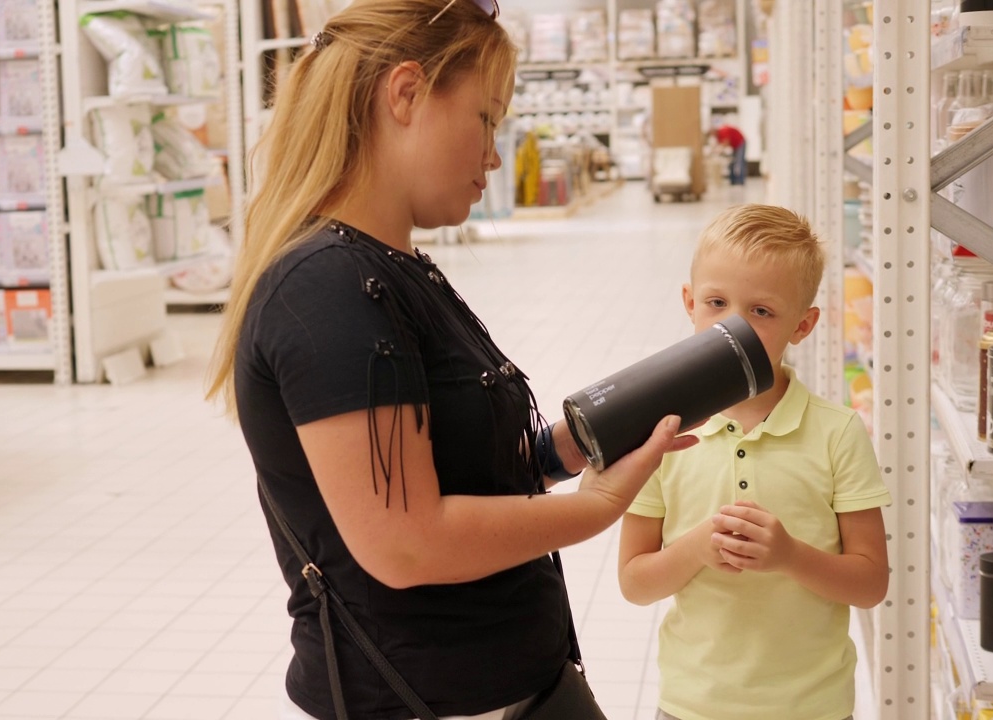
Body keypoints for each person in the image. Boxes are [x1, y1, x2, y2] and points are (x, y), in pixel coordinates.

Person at [206, 0, 697, 718]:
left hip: (512, 687)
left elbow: (451, 466)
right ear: (405, 94)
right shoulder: (326, 288)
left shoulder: (393, 269)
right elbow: (404, 541)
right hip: (426, 698)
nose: (495, 154)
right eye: (487, 119)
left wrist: (571, 444)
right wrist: (596, 507)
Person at [617, 204, 891, 720]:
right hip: (691, 707)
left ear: (803, 326)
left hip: (814, 709)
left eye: (761, 312)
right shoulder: (661, 436)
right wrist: (696, 548)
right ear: (689, 303)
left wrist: (789, 556)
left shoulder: (837, 433)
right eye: (716, 302)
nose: (732, 327)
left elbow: (871, 582)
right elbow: (634, 581)